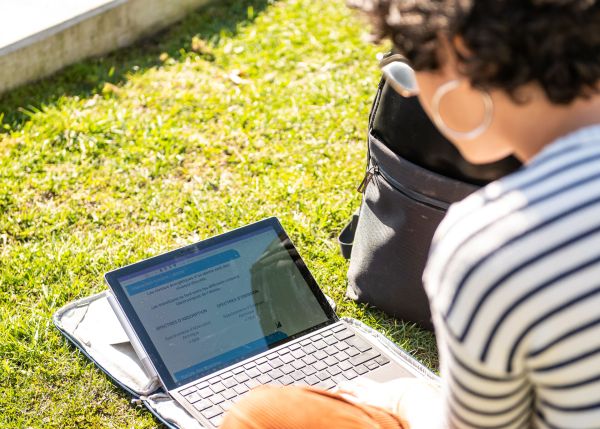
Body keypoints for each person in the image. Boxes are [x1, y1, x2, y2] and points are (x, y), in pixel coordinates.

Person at [221, 0, 600, 428]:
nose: (412, 88)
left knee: (260, 413)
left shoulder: (495, 239)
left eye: (408, 66)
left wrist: (407, 397)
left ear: (457, 53)